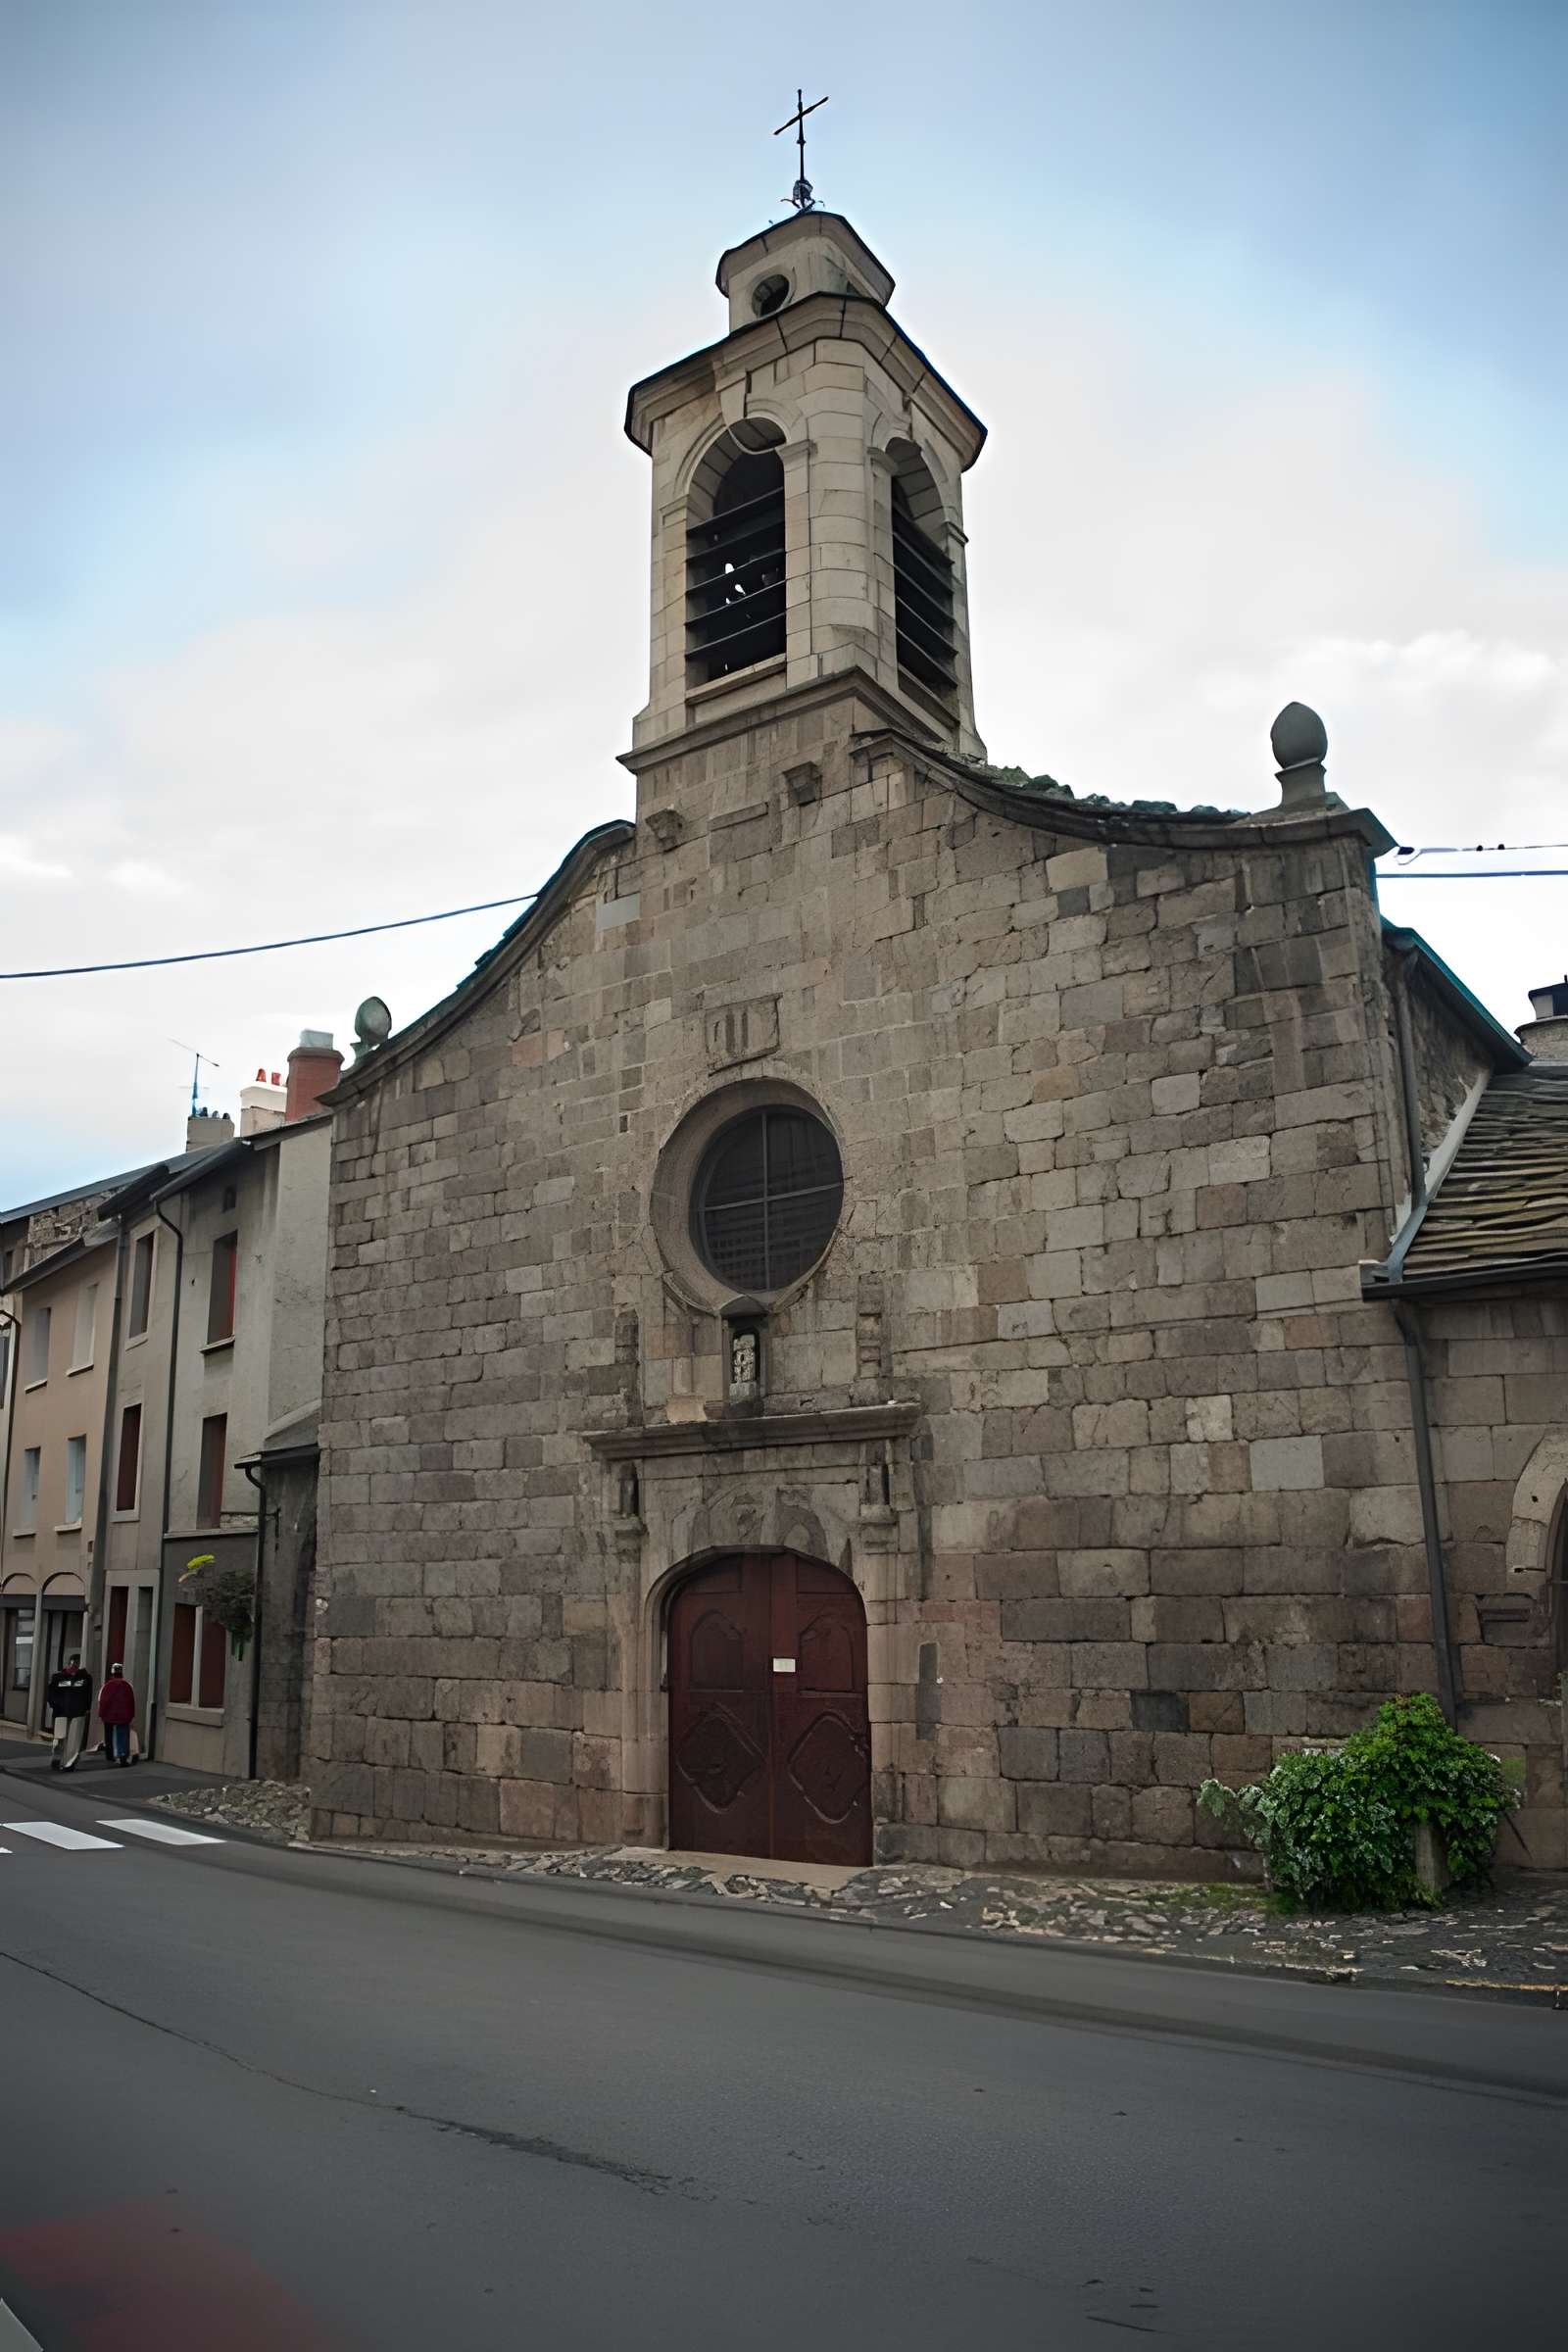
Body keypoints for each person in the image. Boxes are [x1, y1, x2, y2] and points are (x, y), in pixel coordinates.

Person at [46, 1651, 93, 1771]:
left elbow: (88, 1695)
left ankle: (69, 1762)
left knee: (74, 1740)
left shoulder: (86, 1678)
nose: (75, 1667)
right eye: (73, 1664)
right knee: (59, 1737)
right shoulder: (58, 1677)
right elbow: (51, 1694)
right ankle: (58, 1757)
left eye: (77, 1665)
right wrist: (55, 1705)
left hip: (77, 1712)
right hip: (61, 1712)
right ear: (69, 1664)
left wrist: (86, 1708)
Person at [97, 1662, 137, 1766]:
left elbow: (101, 1701)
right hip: (123, 1715)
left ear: (112, 1673)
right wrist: (131, 1715)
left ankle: (110, 1755)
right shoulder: (128, 1685)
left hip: (109, 1715)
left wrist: (101, 1714)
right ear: (121, 1672)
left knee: (108, 1735)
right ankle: (122, 1755)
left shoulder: (106, 1686)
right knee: (122, 1734)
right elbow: (132, 1701)